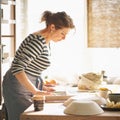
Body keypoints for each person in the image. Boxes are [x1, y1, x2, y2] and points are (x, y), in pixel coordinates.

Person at [2, 10, 75, 120]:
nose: (64, 38)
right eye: (62, 33)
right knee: (25, 117)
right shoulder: (37, 42)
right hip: (17, 86)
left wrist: (42, 86)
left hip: (25, 84)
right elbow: (17, 68)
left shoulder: (46, 40)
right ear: (52, 27)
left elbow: (31, 68)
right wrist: (35, 90)